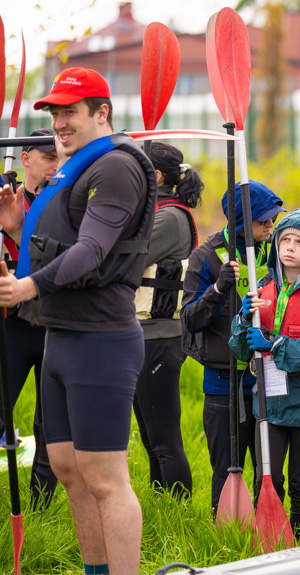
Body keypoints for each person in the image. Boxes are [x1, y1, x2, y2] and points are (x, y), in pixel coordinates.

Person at [0, 67, 157, 575]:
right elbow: (65, 240)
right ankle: (96, 571)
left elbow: (92, 250)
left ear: (101, 112)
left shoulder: (114, 168)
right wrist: (18, 227)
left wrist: (28, 286)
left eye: (71, 112)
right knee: (68, 469)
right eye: (55, 113)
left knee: (105, 477)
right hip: (61, 339)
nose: (60, 124)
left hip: (102, 340)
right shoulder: (72, 169)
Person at [229, 208, 300, 537]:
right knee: (267, 475)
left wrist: (275, 345)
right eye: (285, 239)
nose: (290, 247)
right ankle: (269, 537)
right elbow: (239, 350)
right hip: (268, 400)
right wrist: (242, 322)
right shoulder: (260, 289)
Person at [182, 179, 284, 514]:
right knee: (227, 472)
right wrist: (216, 290)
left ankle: (268, 536)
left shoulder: (275, 254)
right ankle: (226, 539)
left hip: (269, 381)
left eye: (273, 219)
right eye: (264, 220)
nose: (272, 225)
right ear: (241, 222)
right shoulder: (206, 257)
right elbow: (190, 320)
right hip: (224, 384)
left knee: (270, 473)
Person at [132, 142, 201, 498]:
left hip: (158, 338)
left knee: (163, 441)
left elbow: (122, 255)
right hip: (144, 336)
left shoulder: (169, 218)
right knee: (150, 439)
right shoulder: (156, 212)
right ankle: (164, 509)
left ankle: (178, 513)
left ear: (155, 176)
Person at [0, 128, 59, 511]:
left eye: (59, 156)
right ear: (26, 159)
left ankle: (39, 508)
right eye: (47, 156)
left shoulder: (66, 202)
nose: (55, 164)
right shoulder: (6, 199)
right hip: (13, 326)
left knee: (49, 423)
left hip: (54, 325)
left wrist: (18, 228)